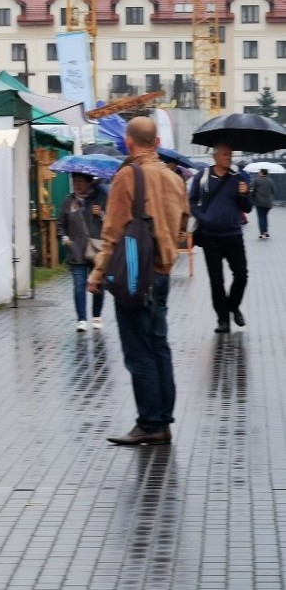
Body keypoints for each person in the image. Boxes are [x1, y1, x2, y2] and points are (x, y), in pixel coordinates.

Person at [87, 117, 189, 446]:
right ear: (157, 143)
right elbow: (185, 226)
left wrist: (98, 274)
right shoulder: (174, 179)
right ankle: (162, 419)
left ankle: (149, 423)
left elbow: (113, 232)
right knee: (159, 345)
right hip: (161, 274)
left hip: (135, 274)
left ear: (128, 143)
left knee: (137, 350)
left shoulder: (127, 176)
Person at [188, 143, 252, 333]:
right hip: (210, 237)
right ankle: (223, 319)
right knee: (216, 281)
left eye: (230, 154)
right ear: (215, 156)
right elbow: (191, 201)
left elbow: (247, 208)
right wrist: (203, 219)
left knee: (241, 275)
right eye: (225, 154)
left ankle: (233, 306)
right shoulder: (203, 177)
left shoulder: (238, 178)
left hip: (233, 235)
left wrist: (244, 194)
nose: (228, 157)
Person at [58, 173, 107, 331]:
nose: (77, 184)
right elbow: (61, 224)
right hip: (76, 249)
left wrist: (101, 214)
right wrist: (65, 239)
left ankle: (97, 316)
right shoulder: (69, 201)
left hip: (96, 248)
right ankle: (81, 319)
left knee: (98, 283)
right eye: (75, 181)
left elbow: (113, 221)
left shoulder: (100, 197)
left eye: (80, 181)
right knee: (79, 284)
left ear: (89, 182)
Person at [250, 168, 276, 239]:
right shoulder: (270, 181)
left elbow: (250, 186)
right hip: (268, 203)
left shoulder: (256, 180)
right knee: (265, 217)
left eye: (259, 172)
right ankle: (266, 232)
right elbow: (274, 191)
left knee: (261, 217)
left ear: (261, 173)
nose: (258, 173)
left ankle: (262, 233)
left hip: (259, 202)